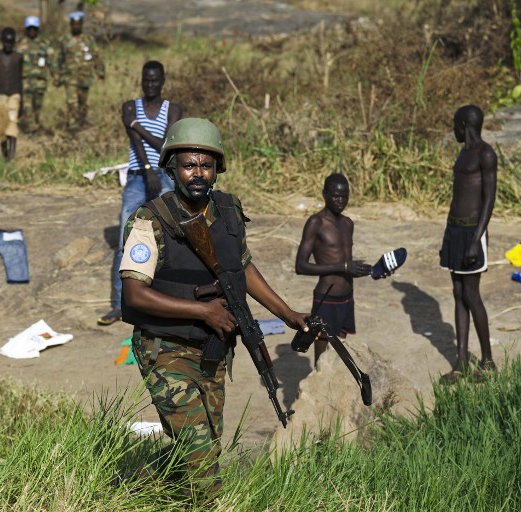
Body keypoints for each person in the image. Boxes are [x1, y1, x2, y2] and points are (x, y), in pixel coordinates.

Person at [119, 118, 312, 494]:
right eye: (189, 165)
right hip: (165, 349)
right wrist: (203, 311)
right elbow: (134, 295)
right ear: (172, 168)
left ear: (217, 169)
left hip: (213, 349)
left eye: (206, 166)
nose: (198, 173)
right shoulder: (150, 220)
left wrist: (287, 314)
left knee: (205, 446)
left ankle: (138, 486)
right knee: (200, 456)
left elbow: (242, 266)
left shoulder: (228, 211)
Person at [97, 60, 182, 326]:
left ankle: (162, 301)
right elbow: (139, 145)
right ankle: (119, 304)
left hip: (165, 175)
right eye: (146, 80)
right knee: (126, 240)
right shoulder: (129, 107)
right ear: (141, 80)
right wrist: (146, 168)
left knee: (169, 238)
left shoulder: (174, 109)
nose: (150, 84)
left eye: (155, 80)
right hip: (137, 176)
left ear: (163, 80)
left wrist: (138, 126)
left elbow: (167, 143)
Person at [439, 104, 497, 383]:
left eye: (454, 125)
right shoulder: (463, 154)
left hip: (473, 233)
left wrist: (476, 240)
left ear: (463, 125)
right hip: (455, 231)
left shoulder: (486, 154)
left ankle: (487, 361)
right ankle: (461, 361)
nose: (453, 130)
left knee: (472, 295)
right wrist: (448, 236)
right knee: (457, 293)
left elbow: (489, 199)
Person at [294, 173, 372, 367]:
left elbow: (347, 263)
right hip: (326, 298)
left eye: (345, 196)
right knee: (322, 362)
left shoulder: (348, 224)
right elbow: (300, 266)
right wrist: (343, 267)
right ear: (325, 194)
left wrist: (372, 270)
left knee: (338, 358)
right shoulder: (316, 223)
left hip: (346, 298)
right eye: (336, 196)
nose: (340, 200)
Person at [53, 11, 105, 129]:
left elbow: (97, 56)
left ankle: (82, 122)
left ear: (81, 25)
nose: (76, 26)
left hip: (85, 77)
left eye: (78, 24)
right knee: (72, 102)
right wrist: (57, 77)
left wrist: (100, 71)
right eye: (74, 24)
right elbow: (58, 60)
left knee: (83, 102)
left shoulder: (88, 40)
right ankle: (72, 124)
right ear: (71, 25)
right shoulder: (64, 40)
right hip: (69, 77)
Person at [0, 27, 23, 160]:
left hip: (14, 94)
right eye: (6, 42)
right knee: (2, 128)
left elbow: (20, 79)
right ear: (1, 41)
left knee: (13, 123)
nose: (8, 45)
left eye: (11, 43)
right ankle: (5, 155)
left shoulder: (18, 57)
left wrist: (21, 102)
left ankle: (11, 158)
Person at [18, 16, 56, 134]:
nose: (32, 31)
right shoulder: (20, 45)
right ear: (26, 29)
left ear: (38, 29)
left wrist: (56, 76)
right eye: (30, 29)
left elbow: (51, 62)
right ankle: (31, 130)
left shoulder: (45, 44)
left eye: (34, 29)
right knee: (27, 107)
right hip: (25, 82)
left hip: (40, 82)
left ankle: (35, 125)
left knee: (37, 107)